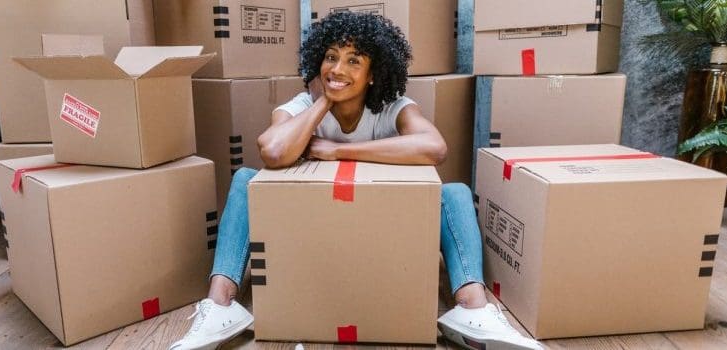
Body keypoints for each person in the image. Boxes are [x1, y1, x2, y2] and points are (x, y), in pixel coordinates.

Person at [170, 11, 542, 350]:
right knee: (246, 179)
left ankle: (471, 308)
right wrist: (321, 102)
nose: (338, 68)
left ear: (374, 73)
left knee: (455, 192)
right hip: (314, 234)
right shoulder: (302, 106)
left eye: (353, 60)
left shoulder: (392, 107)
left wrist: (335, 150)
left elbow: (435, 146)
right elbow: (273, 151)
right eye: (330, 57)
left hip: (377, 233)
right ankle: (220, 306)